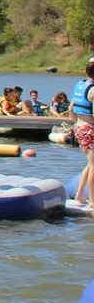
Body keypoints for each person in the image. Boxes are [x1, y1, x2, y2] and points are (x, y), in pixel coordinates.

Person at [69, 60, 94, 207]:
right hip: (90, 130)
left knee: (90, 164)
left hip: (79, 127)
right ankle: (92, 202)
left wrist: (74, 123)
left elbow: (71, 108)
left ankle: (79, 195)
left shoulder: (80, 84)